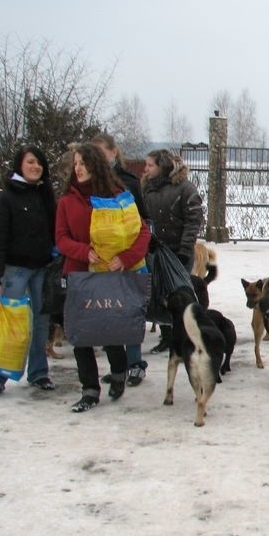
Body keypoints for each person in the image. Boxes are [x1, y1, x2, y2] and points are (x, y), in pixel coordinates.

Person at [55, 143, 151, 412]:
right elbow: (61, 239)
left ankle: (119, 373)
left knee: (110, 329)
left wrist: (127, 258)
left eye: (83, 163)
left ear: (96, 165)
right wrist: (84, 252)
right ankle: (89, 390)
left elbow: (142, 232)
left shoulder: (118, 196)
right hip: (79, 274)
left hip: (110, 274)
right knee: (81, 336)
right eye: (75, 164)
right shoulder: (67, 201)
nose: (78, 168)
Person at [0, 146, 57, 398]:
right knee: (11, 323)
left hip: (42, 269)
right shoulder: (7, 198)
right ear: (19, 165)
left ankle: (39, 373)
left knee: (40, 322)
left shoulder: (45, 195)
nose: (36, 167)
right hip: (14, 270)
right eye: (30, 162)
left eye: (39, 163)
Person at [92, 134, 150, 386]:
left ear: (114, 152)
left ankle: (135, 363)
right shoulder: (89, 185)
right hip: (100, 264)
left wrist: (128, 257)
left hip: (130, 262)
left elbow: (143, 224)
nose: (98, 159)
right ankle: (118, 364)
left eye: (101, 152)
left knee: (132, 313)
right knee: (109, 315)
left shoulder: (129, 183)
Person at [142, 149, 204, 353]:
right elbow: (144, 218)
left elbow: (193, 220)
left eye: (150, 165)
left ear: (162, 166)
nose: (146, 169)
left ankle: (184, 335)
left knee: (180, 295)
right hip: (157, 251)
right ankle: (167, 337)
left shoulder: (185, 188)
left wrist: (185, 249)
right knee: (159, 293)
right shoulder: (148, 188)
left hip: (179, 252)